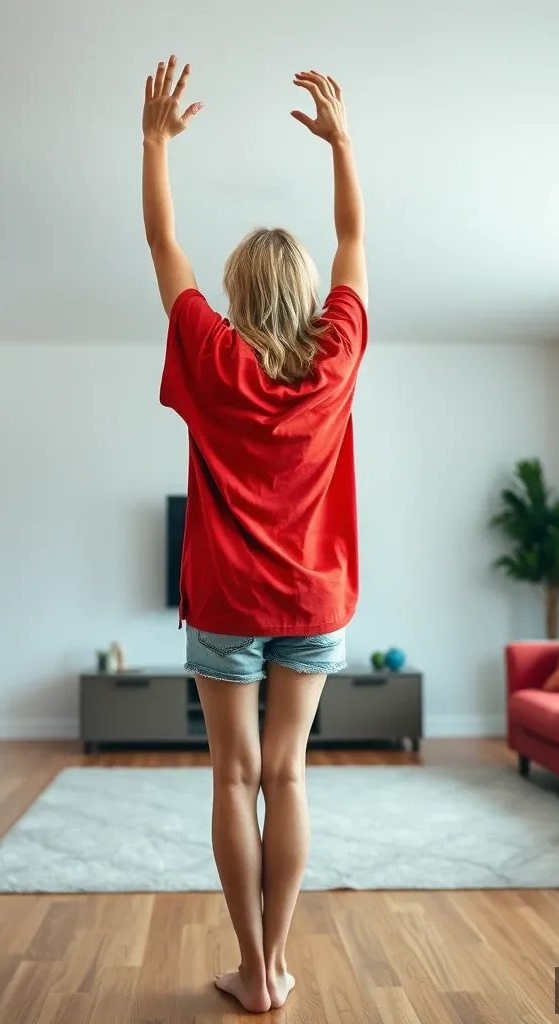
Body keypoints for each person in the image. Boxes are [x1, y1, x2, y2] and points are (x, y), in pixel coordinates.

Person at [141, 55, 367, 1014]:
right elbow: (354, 232)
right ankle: (277, 959)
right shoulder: (337, 353)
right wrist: (342, 141)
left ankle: (254, 972)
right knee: (289, 774)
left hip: (227, 602)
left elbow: (163, 244)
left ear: (235, 292)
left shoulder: (211, 351)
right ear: (309, 296)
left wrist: (155, 141)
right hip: (315, 600)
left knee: (234, 778)